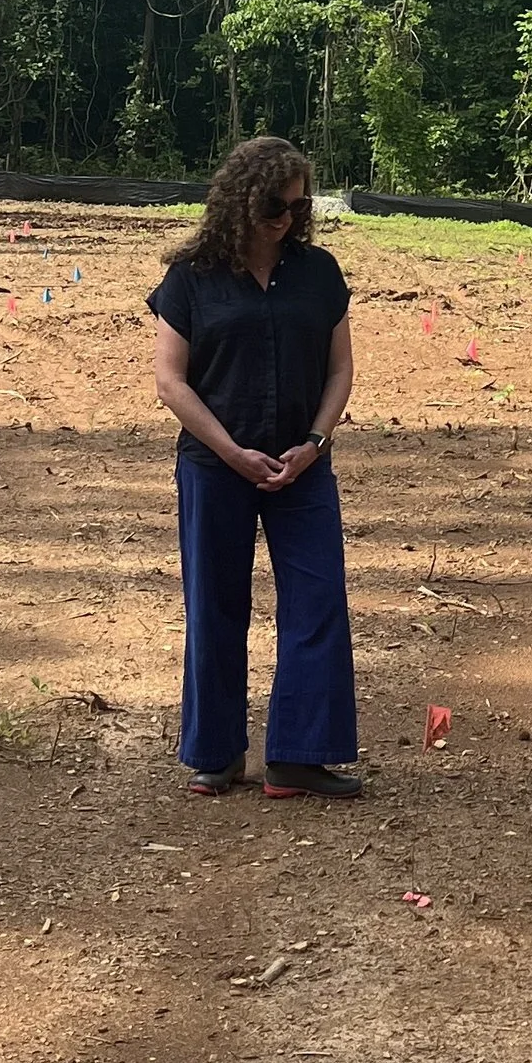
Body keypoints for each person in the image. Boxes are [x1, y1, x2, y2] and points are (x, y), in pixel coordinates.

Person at [149, 136, 361, 801]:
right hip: (216, 468)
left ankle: (300, 755)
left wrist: (315, 443)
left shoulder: (319, 273)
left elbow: (340, 369)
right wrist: (231, 451)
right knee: (215, 606)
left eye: (299, 207)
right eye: (276, 206)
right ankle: (216, 752)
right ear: (241, 200)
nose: (288, 219)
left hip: (303, 468)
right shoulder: (190, 278)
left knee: (318, 602)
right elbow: (170, 381)